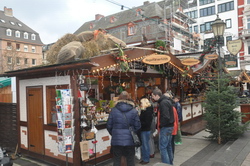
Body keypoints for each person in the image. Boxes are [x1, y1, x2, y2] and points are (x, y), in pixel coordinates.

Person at [107, 91, 141, 166]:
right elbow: (138, 126)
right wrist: (132, 133)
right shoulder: (133, 111)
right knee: (130, 160)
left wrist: (114, 133)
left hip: (116, 140)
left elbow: (109, 126)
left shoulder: (113, 110)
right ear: (129, 99)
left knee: (116, 160)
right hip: (130, 140)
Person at [151, 88, 174, 165]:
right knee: (168, 146)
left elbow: (166, 117)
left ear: (157, 95)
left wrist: (161, 125)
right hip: (170, 127)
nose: (152, 98)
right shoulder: (166, 101)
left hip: (166, 127)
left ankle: (166, 164)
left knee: (163, 148)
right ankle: (170, 163)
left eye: (153, 96)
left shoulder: (163, 103)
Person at [139, 98, 153, 165]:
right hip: (144, 129)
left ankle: (146, 159)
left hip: (145, 130)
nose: (140, 104)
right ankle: (144, 158)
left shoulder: (147, 111)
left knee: (145, 145)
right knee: (144, 145)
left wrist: (140, 123)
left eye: (141, 103)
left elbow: (147, 122)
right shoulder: (145, 110)